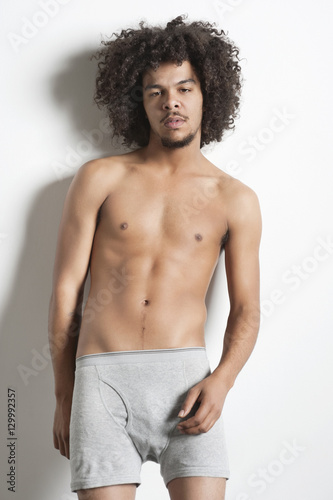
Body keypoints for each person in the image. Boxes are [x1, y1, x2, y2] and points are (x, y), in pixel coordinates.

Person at [48, 14, 262, 500]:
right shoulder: (100, 178)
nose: (172, 103)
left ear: (208, 94)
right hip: (101, 380)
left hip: (188, 383)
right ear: (138, 102)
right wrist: (64, 393)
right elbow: (65, 292)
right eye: (155, 92)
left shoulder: (236, 198)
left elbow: (246, 310)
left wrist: (222, 383)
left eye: (184, 88)